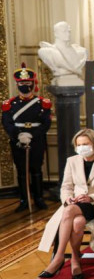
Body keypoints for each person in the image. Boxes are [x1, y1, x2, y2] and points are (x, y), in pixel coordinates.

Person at [37, 129, 94, 279]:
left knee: (68, 212)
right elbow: (66, 186)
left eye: (85, 144)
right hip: (75, 205)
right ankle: (75, 259)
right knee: (77, 222)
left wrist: (92, 197)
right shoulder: (72, 161)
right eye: (79, 144)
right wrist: (67, 198)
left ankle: (58, 257)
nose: (82, 147)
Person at [2, 63, 52, 212]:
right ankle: (24, 200)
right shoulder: (9, 104)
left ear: (33, 84)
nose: (25, 86)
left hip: (36, 140)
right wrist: (19, 135)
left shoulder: (42, 103)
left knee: (36, 170)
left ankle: (38, 198)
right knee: (22, 171)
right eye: (22, 83)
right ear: (18, 84)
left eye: (27, 83)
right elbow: (7, 123)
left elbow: (46, 124)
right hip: (18, 141)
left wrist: (31, 135)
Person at [38, 21, 88, 86]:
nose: (68, 34)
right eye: (64, 31)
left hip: (75, 80)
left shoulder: (80, 52)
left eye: (69, 31)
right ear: (56, 34)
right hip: (61, 80)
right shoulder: (47, 52)